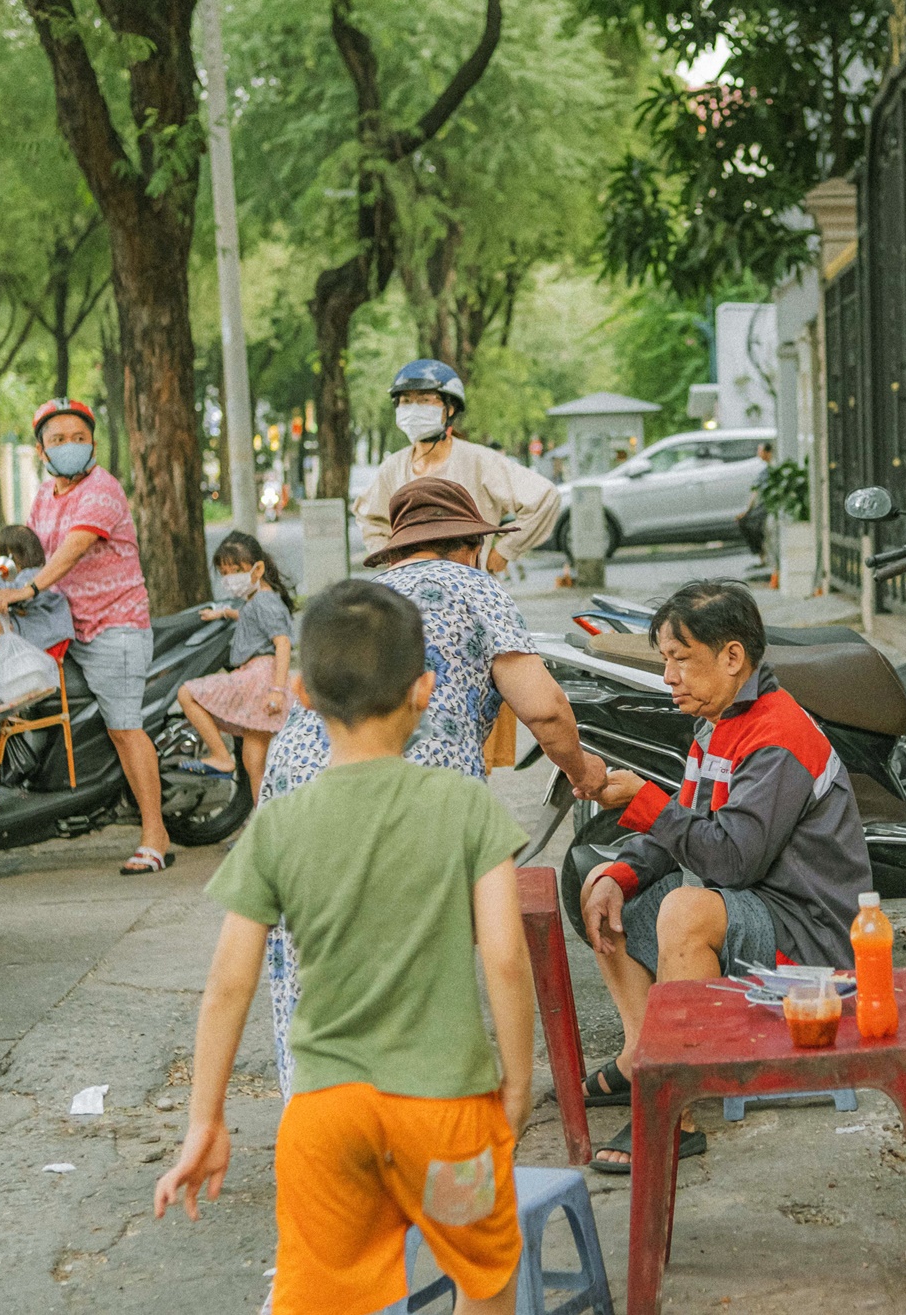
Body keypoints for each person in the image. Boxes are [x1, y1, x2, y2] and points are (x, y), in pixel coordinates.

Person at [153, 580, 535, 1315]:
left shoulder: (278, 823)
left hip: (325, 1116)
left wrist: (205, 1118)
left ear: (297, 692)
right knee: (485, 1280)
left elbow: (228, 984)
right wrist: (515, 1086)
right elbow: (506, 957)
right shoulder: (465, 805)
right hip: (446, 1116)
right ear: (425, 688)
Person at [261, 477, 606, 1097]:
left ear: (396, 551)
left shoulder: (361, 598)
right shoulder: (477, 587)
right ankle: (421, 1108)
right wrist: (585, 775)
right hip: (411, 802)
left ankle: (319, 1107)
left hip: (297, 789)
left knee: (310, 956)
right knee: (419, 955)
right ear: (472, 544)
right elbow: (546, 711)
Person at [578, 579, 874, 1171]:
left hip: (812, 941)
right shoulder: (719, 724)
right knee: (600, 884)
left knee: (685, 912)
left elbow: (733, 859)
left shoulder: (778, 736)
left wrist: (647, 800)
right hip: (757, 905)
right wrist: (620, 873)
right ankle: (646, 1057)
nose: (669, 677)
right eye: (666, 661)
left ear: (733, 657)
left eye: (682, 660)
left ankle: (674, 1110)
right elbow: (686, 825)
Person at [0, 398, 171, 876]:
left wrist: (27, 588)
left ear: (92, 442)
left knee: (123, 727)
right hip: (65, 626)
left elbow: (71, 550)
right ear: (40, 450)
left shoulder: (102, 490)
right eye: (57, 440)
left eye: (78, 437)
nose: (69, 446)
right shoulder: (43, 496)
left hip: (115, 625)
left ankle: (155, 834)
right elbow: (28, 550)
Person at [352, 360, 560, 571]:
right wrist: (393, 563)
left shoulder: (479, 460)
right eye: (406, 400)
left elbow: (545, 497)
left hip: (470, 588)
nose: (414, 409)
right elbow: (370, 519)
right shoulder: (393, 467)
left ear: (449, 408)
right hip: (410, 593)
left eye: (425, 400)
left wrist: (505, 551)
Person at [175, 531, 295, 795]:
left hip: (259, 678)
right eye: (225, 572)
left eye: (235, 570)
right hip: (258, 678)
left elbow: (283, 643)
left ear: (258, 568)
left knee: (187, 693)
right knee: (254, 764)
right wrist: (225, 613)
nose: (230, 579)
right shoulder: (259, 599)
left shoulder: (264, 601)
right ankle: (262, 825)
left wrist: (277, 690)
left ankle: (220, 755)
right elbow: (250, 618)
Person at [0, 525, 73, 650]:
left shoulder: (32, 576)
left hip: (48, 640)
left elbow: (9, 589)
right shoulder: (35, 574)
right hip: (44, 638)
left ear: (11, 561)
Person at [736, 440, 774, 566]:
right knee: (745, 522)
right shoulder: (766, 470)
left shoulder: (772, 469)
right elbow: (755, 491)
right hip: (764, 505)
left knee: (750, 523)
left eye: (760, 451)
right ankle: (760, 554)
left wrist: (748, 511)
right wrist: (747, 510)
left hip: (769, 505)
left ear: (767, 452)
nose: (758, 454)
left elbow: (755, 492)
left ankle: (762, 554)